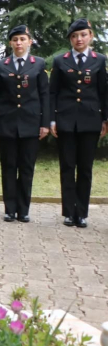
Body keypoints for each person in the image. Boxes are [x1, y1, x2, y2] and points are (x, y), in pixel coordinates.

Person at [49, 18, 108, 228]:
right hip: (65, 120)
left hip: (90, 121)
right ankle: (68, 212)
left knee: (85, 168)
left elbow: (103, 92)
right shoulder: (60, 61)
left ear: (90, 36)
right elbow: (53, 92)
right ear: (70, 39)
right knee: (67, 166)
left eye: (83, 35)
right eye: (74, 36)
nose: (79, 39)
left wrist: (105, 119)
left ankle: (81, 213)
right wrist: (52, 119)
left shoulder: (99, 60)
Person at [0, 25, 49, 223]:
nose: (19, 43)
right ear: (10, 43)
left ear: (30, 41)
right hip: (7, 123)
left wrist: (45, 123)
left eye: (22, 39)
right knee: (8, 167)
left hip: (31, 123)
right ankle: (9, 209)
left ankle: (23, 210)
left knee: (26, 168)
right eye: (15, 39)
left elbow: (44, 94)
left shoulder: (38, 64)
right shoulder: (2, 65)